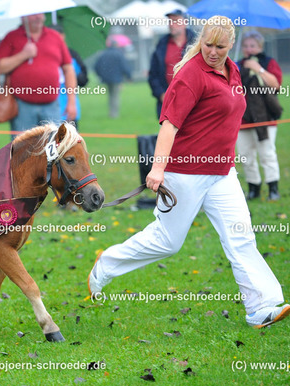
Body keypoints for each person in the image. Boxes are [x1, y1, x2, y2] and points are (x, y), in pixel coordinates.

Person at [88, 16, 289, 329]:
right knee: (168, 242)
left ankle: (260, 308)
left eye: (220, 47)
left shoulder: (232, 69)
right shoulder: (192, 74)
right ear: (201, 40)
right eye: (208, 44)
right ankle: (106, 265)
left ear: (230, 46)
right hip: (185, 172)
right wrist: (157, 169)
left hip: (222, 173)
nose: (212, 51)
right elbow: (169, 125)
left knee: (241, 237)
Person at [0, 14, 77, 134]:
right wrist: (23, 55)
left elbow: (68, 69)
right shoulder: (11, 37)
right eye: (33, 15)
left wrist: (71, 102)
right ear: (23, 18)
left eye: (40, 14)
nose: (38, 17)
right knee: (23, 148)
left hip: (52, 105)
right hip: (22, 105)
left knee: (52, 147)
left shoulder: (55, 37)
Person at [235, 30, 283, 201]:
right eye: (246, 46)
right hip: (242, 118)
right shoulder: (237, 64)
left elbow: (276, 85)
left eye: (253, 46)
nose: (249, 49)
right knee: (246, 155)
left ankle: (273, 188)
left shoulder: (268, 62)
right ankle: (253, 187)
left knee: (267, 153)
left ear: (260, 47)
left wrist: (259, 69)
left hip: (265, 117)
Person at [148, 9, 195, 119]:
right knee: (167, 135)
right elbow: (153, 74)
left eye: (175, 21)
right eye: (170, 21)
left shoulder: (197, 43)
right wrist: (161, 94)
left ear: (185, 23)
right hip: (168, 103)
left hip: (193, 102)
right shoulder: (161, 44)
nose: (172, 24)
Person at [51, 24, 89, 129]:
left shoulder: (72, 55)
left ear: (63, 36)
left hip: (68, 108)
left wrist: (71, 72)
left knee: (70, 143)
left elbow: (83, 81)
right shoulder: (43, 55)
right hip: (48, 109)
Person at [94, 39, 132, 119]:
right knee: (115, 96)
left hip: (106, 79)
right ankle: (114, 114)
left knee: (110, 95)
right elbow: (124, 66)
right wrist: (129, 76)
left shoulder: (104, 54)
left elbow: (96, 66)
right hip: (116, 78)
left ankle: (111, 112)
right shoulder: (119, 54)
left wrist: (101, 75)